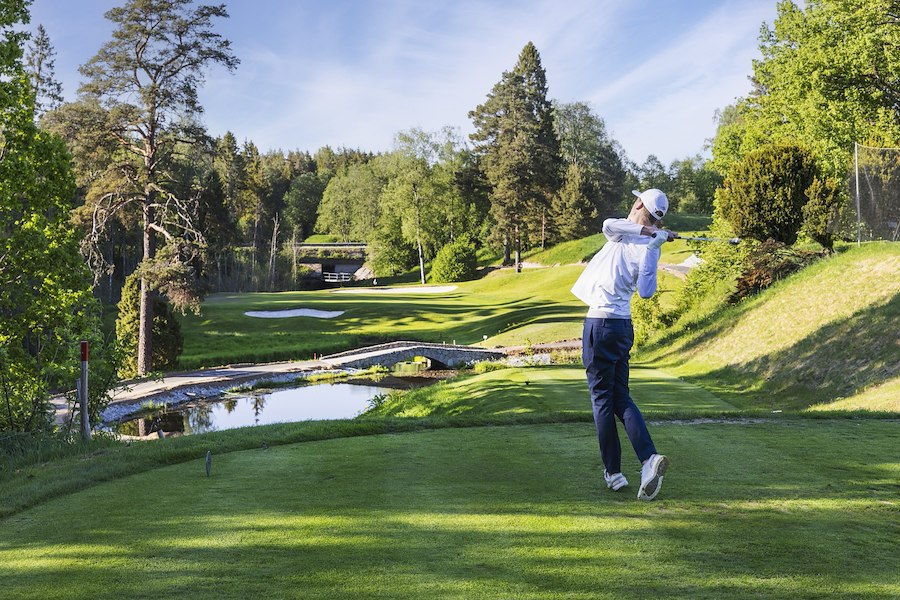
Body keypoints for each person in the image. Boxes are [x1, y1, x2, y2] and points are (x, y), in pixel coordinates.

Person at [570, 189, 675, 501]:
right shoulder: (628, 235)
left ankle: (613, 473)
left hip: (599, 325)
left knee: (602, 400)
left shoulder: (631, 238)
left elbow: (610, 226)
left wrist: (655, 243)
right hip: (622, 326)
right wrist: (654, 241)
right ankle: (647, 459)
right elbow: (610, 225)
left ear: (638, 202)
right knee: (620, 397)